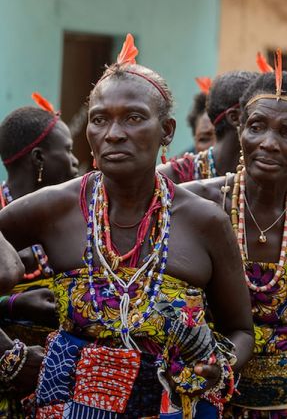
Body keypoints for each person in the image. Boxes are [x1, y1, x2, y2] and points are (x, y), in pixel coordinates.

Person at [0, 34, 253, 418]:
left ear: (166, 131)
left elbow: (241, 331)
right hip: (69, 406)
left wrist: (219, 365)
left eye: (133, 117)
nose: (113, 133)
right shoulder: (54, 207)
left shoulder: (205, 221)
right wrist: (9, 354)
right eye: (100, 119)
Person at [183, 65, 287, 416]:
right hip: (205, 400)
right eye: (257, 127)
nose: (269, 143)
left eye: (286, 132)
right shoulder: (196, 204)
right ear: (239, 126)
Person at [0, 96, 79, 417]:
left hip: (54, 373)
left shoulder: (72, 217)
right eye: (69, 150)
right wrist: (17, 303)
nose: (76, 161)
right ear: (38, 158)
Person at [158, 71, 258, 183]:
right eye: (204, 138)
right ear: (235, 118)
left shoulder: (269, 175)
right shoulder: (170, 178)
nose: (215, 145)